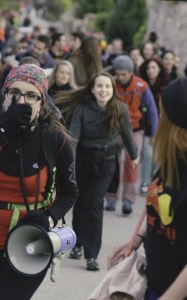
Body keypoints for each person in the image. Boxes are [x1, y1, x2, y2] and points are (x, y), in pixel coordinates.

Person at [0, 64, 78, 299]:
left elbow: (71, 192)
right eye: (14, 93)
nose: (21, 100)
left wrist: (49, 216)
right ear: (4, 96)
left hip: (31, 241)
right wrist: (2, 129)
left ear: (42, 102)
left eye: (31, 95)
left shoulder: (55, 138)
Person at [108, 77, 187, 300]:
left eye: (163, 111)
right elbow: (162, 211)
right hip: (155, 283)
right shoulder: (174, 161)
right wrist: (139, 238)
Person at [55, 72, 139, 271]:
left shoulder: (120, 109)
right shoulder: (81, 109)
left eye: (108, 87)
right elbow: (73, 139)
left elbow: (127, 133)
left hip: (106, 163)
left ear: (113, 90)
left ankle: (92, 254)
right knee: (82, 201)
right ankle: (77, 244)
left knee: (94, 203)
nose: (104, 90)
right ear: (92, 89)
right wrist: (69, 165)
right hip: (83, 161)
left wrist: (134, 155)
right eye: (99, 86)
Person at [104, 55, 158, 215]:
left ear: (130, 71)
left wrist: (154, 133)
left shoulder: (141, 86)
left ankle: (128, 201)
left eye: (123, 74)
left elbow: (153, 111)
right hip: (114, 130)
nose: (120, 77)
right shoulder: (111, 83)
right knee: (112, 163)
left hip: (135, 130)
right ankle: (111, 198)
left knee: (131, 163)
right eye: (118, 74)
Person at [139, 57, 169, 193]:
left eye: (154, 68)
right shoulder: (142, 85)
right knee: (148, 153)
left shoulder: (165, 86)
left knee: (157, 155)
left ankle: (155, 180)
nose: (151, 71)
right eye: (148, 68)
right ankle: (145, 181)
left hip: (161, 124)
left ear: (159, 69)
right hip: (145, 124)